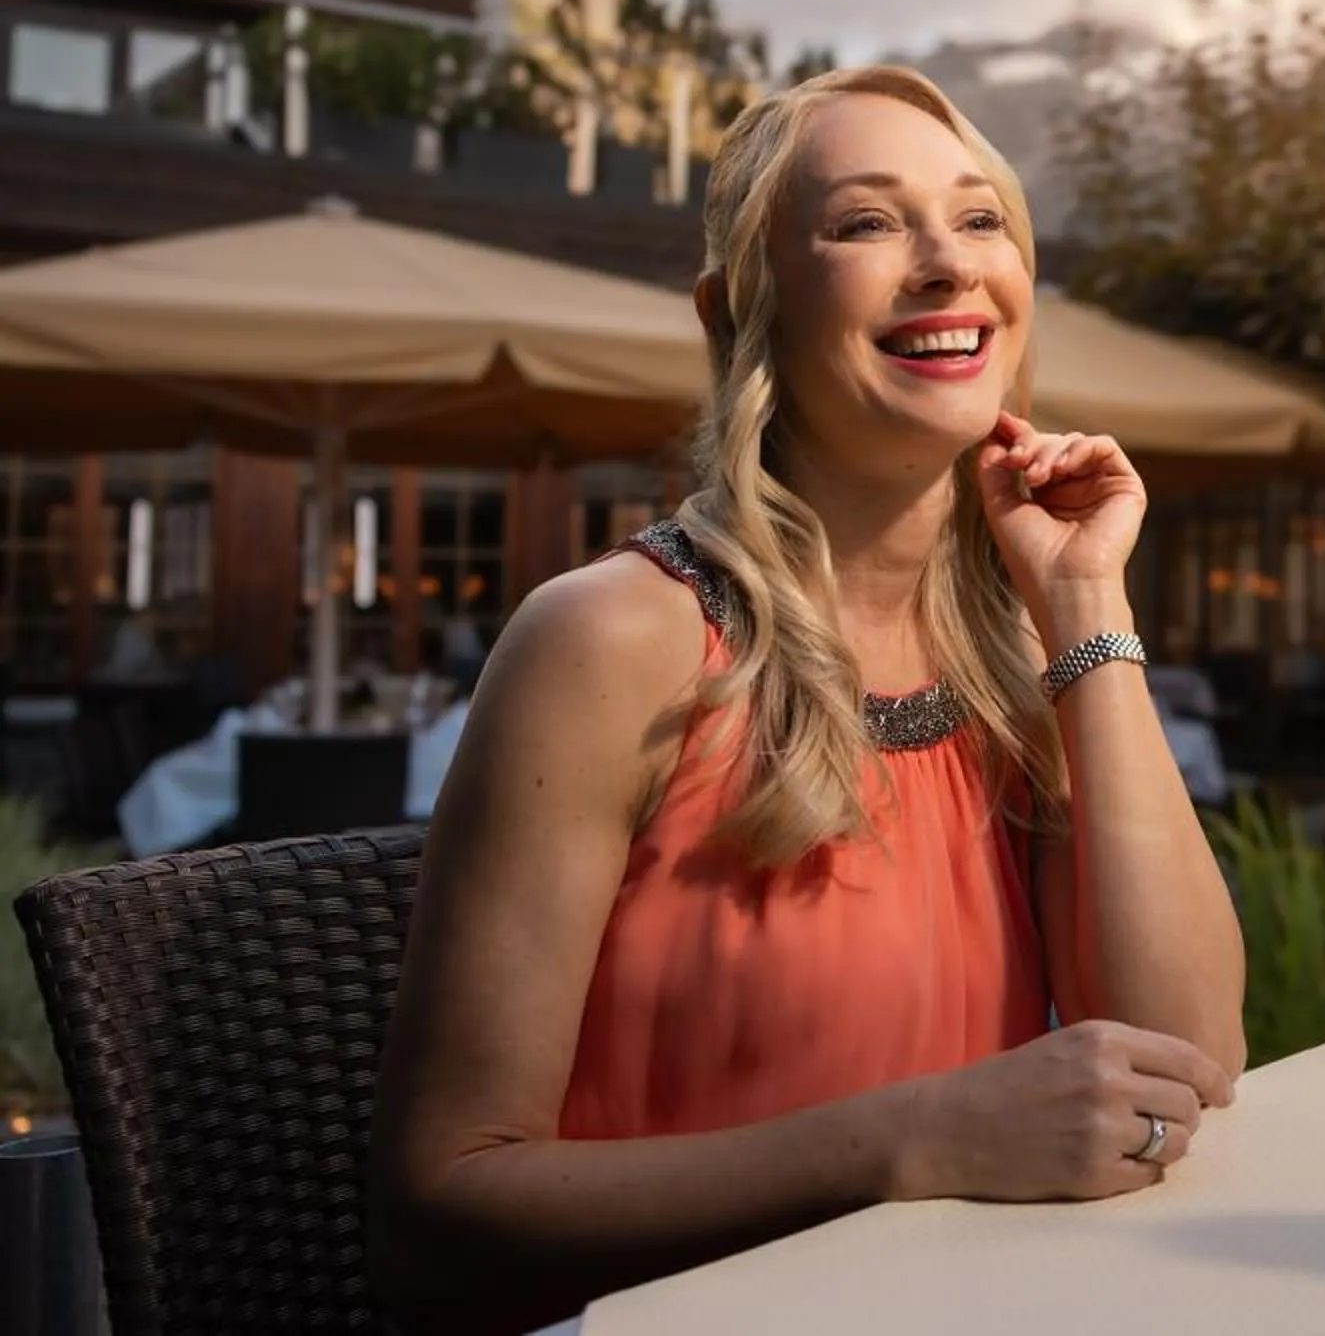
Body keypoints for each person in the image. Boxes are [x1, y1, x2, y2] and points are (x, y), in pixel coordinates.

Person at [370, 67, 1246, 1332]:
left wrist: (1085, 606)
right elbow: (439, 1215)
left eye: (981, 219)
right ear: (744, 309)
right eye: (868, 222)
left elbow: (1190, 1060)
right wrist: (914, 1140)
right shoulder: (611, 641)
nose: (948, 263)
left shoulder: (1012, 653)